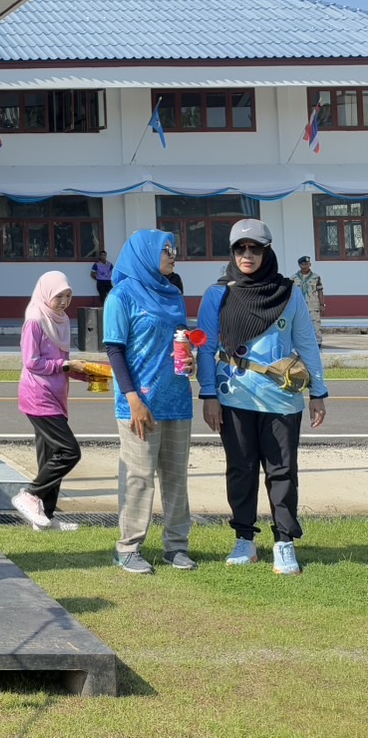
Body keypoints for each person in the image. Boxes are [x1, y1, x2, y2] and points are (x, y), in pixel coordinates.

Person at [198, 220, 328, 575]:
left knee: (282, 472)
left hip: (282, 400)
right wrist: (208, 394)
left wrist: (318, 391)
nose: (247, 255)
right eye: (240, 248)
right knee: (240, 470)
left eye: (255, 248)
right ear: (232, 252)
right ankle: (245, 539)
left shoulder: (289, 293)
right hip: (233, 398)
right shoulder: (218, 294)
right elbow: (206, 347)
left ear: (266, 252)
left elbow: (307, 344)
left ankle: (284, 542)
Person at [103, 228, 195, 574]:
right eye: (166, 250)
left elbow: (180, 338)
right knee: (139, 476)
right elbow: (114, 350)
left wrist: (190, 359)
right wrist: (133, 398)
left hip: (177, 398)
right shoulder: (121, 296)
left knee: (176, 476)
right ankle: (128, 548)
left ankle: (177, 546)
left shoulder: (173, 294)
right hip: (139, 403)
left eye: (173, 249)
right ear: (145, 253)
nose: (173, 256)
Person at [11, 271, 90, 532]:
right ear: (46, 294)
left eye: (68, 296)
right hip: (38, 396)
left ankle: (45, 517)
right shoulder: (35, 320)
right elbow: (32, 362)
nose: (64, 302)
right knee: (69, 452)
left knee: (50, 457)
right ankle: (30, 495)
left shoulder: (61, 320)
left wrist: (84, 373)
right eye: (59, 296)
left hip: (56, 395)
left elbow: (61, 363)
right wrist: (67, 365)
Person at [292, 256, 326, 346]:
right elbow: (291, 293)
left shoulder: (316, 277)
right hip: (299, 305)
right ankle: (301, 342)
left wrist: (322, 304)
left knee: (315, 323)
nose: (305, 266)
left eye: (306, 264)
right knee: (299, 324)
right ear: (299, 265)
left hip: (313, 304)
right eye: (302, 264)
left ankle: (317, 342)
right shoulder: (293, 278)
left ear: (310, 264)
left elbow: (320, 291)